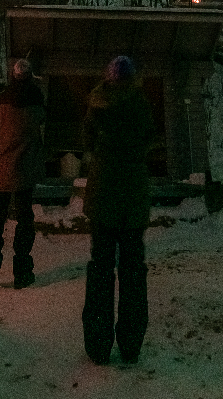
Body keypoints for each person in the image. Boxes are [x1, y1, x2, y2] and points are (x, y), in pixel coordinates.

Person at [81, 55, 156, 365]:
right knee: (133, 271)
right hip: (133, 200)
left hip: (103, 198)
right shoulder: (140, 105)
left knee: (100, 269)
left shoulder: (97, 106)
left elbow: (86, 141)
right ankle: (131, 343)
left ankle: (98, 345)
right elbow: (149, 138)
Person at [0, 58, 45, 290]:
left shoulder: (2, 99)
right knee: (24, 220)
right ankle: (22, 274)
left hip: (3, 168)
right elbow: (41, 118)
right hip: (25, 169)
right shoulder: (36, 98)